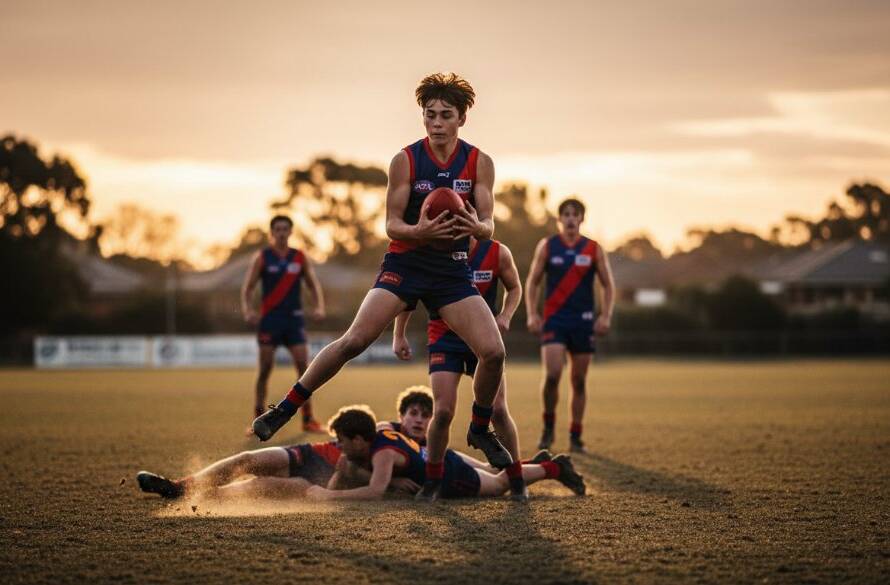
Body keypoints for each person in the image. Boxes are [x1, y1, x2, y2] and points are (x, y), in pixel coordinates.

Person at [252, 73, 512, 474]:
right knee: (354, 340)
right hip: (406, 263)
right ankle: (286, 408)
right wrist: (420, 232)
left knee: (493, 352)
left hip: (451, 271)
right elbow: (391, 225)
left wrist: (477, 227)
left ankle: (479, 428)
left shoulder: (480, 162)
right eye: (430, 115)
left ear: (462, 119)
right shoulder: (406, 160)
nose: (437, 122)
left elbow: (489, 224)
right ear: (422, 117)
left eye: (446, 115)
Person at [392, 237, 528, 500]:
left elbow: (515, 287)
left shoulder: (498, 252)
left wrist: (505, 315)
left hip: (481, 340)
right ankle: (433, 481)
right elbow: (408, 294)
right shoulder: (431, 246)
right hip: (445, 340)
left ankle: (516, 477)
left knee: (499, 411)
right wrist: (399, 334)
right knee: (442, 412)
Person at [134, 390, 434, 500]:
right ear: (402, 415)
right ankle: (179, 487)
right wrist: (394, 480)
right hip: (311, 454)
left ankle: (195, 497)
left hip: (319, 481)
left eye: (425, 416)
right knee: (248, 459)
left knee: (255, 487)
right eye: (413, 414)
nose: (418, 421)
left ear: (435, 421)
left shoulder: (424, 453)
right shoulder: (384, 429)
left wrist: (393, 480)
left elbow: (457, 463)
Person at [304, 406, 586, 502]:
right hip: (437, 458)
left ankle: (556, 468)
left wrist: (330, 496)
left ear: (359, 439)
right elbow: (353, 467)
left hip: (451, 474)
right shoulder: (378, 430)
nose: (338, 446)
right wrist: (394, 481)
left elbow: (374, 492)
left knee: (501, 483)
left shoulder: (383, 454)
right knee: (494, 472)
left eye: (342, 440)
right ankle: (535, 466)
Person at [524, 198, 615, 452]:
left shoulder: (593, 249)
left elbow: (609, 285)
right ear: (559, 219)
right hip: (555, 320)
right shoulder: (548, 246)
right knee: (552, 375)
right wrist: (532, 314)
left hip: (583, 321)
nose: (571, 218)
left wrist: (605, 315)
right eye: (566, 214)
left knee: (579, 381)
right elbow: (532, 282)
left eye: (575, 214)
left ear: (582, 219)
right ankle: (548, 431)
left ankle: (575, 437)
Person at [241, 215, 326, 432]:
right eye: (277, 229)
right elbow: (248, 288)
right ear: (272, 232)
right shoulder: (262, 257)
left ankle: (308, 420)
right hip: (270, 320)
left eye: (285, 229)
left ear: (290, 232)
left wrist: (319, 306)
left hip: (294, 320)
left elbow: (313, 284)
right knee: (265, 369)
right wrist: (248, 310)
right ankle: (258, 420)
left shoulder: (299, 257)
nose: (281, 232)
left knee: (303, 368)